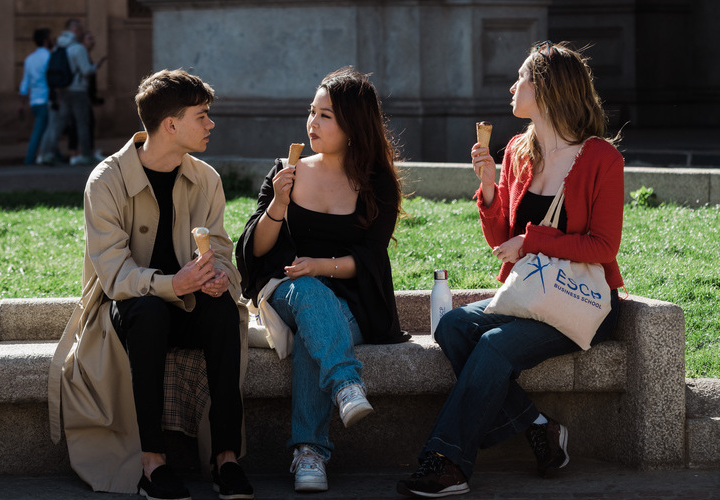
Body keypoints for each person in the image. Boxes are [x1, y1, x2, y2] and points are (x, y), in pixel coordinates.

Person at [397, 41, 625, 498]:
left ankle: (448, 462)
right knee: (456, 326)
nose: (511, 87)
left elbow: (603, 246)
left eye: (520, 78)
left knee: (494, 349)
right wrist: (488, 189)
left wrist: (534, 240)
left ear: (544, 90)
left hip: (580, 304)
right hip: (529, 294)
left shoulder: (601, 158)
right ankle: (539, 426)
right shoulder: (521, 150)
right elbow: (503, 238)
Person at [48, 69, 253, 500]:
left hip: (189, 303)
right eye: (203, 116)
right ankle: (151, 464)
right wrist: (172, 284)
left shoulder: (207, 179)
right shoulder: (105, 181)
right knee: (149, 312)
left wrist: (218, 280)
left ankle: (226, 458)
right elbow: (116, 277)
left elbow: (222, 256)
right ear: (171, 125)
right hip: (125, 309)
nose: (211, 124)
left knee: (221, 311)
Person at [236, 66, 410, 493]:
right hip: (285, 288)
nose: (312, 123)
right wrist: (278, 202)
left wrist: (321, 264)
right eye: (311, 112)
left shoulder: (377, 184)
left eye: (325, 115)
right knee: (310, 295)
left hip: (348, 299)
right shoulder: (286, 168)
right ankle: (346, 385)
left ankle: (308, 454)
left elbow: (370, 260)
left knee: (319, 329)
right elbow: (254, 252)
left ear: (353, 124)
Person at [43, 18, 104, 166]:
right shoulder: (78, 48)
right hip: (78, 90)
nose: (82, 32)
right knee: (82, 123)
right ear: (75, 30)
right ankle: (86, 155)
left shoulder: (58, 46)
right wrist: (95, 67)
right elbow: (85, 70)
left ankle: (48, 154)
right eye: (81, 29)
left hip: (63, 89)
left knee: (59, 123)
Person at [18, 28, 52, 165]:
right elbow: (51, 79)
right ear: (45, 40)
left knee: (47, 130)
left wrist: (22, 103)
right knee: (41, 131)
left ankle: (55, 156)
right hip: (45, 99)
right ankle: (30, 159)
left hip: (34, 102)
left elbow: (25, 83)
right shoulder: (49, 57)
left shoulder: (29, 59)